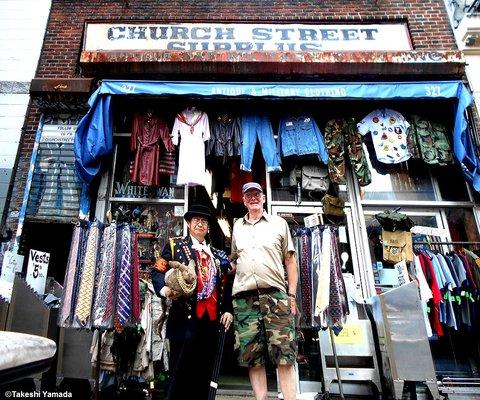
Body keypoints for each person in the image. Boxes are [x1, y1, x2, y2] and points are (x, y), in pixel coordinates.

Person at [151, 204, 233, 400]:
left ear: (209, 227)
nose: (200, 224)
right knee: (180, 374)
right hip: (183, 321)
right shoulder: (174, 245)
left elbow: (226, 283)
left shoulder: (218, 254)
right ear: (188, 223)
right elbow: (157, 270)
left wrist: (228, 309)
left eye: (204, 221)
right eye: (196, 220)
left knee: (204, 375)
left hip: (211, 323)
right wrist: (164, 290)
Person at [231, 182, 298, 400]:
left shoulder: (279, 224)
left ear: (263, 198)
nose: (253, 198)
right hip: (244, 300)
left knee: (284, 356)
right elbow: (234, 261)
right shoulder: (237, 227)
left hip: (276, 298)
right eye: (248, 194)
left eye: (257, 194)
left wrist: (292, 294)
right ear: (243, 200)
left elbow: (290, 261)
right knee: (253, 358)